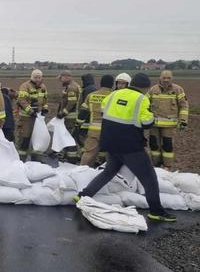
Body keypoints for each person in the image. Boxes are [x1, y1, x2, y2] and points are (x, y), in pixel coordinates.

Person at [76, 73, 176, 222]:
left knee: (109, 172)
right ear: (145, 88)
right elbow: (147, 122)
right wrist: (151, 117)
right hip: (130, 145)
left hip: (110, 142)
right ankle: (156, 211)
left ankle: (83, 195)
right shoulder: (141, 99)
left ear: (131, 83)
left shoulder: (113, 94)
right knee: (149, 178)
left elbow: (104, 111)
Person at [147, 70, 189, 170]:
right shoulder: (152, 90)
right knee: (154, 146)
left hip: (169, 126)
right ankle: (155, 165)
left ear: (172, 79)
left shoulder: (178, 90)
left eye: (168, 78)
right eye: (164, 78)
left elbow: (184, 106)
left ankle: (167, 166)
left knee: (167, 146)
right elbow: (145, 105)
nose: (166, 80)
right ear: (160, 78)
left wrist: (183, 120)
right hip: (154, 125)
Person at [77, 75, 114, 167]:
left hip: (94, 131)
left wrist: (78, 125)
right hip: (110, 131)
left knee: (88, 154)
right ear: (112, 85)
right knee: (110, 155)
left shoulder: (91, 95)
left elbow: (83, 112)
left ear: (101, 83)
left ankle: (81, 173)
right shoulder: (115, 96)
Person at [16, 69, 49, 161]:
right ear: (31, 77)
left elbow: (45, 100)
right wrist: (31, 111)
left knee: (38, 139)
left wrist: (45, 109)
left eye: (39, 77)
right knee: (24, 140)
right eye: (35, 77)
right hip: (26, 118)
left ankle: (36, 161)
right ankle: (21, 161)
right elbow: (22, 101)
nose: (37, 79)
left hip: (38, 118)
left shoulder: (43, 87)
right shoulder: (25, 86)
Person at [55, 70, 81, 163]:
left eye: (61, 78)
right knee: (69, 137)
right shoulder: (72, 86)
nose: (60, 80)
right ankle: (68, 156)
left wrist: (63, 113)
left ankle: (71, 159)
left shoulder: (71, 88)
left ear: (66, 77)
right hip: (71, 116)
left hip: (70, 117)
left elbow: (71, 102)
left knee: (68, 137)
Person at [75, 74, 97, 147]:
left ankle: (83, 156)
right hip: (90, 119)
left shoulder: (88, 90)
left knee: (83, 139)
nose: (81, 82)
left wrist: (79, 121)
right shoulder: (93, 88)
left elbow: (85, 107)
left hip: (86, 120)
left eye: (82, 81)